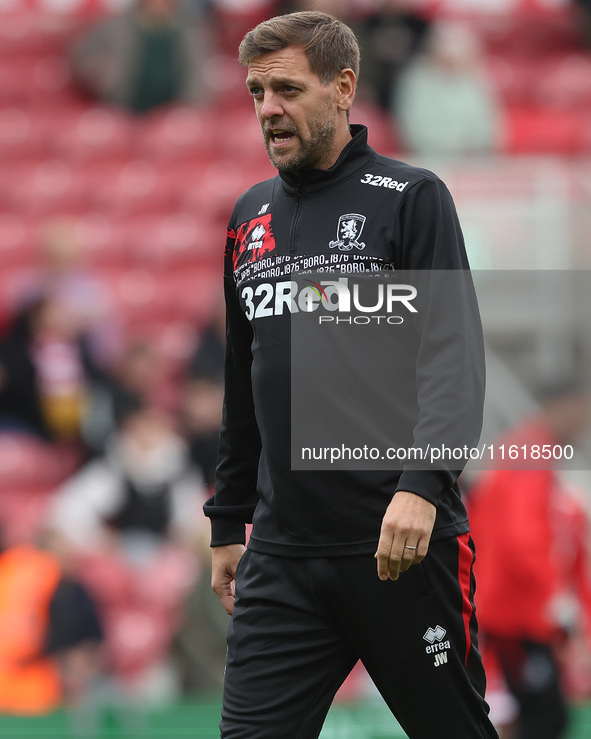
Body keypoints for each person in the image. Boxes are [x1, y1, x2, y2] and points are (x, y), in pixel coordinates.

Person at [202, 11, 497, 738]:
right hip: (281, 556)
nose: (268, 109)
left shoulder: (411, 197)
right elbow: (244, 382)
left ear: (342, 88)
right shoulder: (249, 216)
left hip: (398, 543)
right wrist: (226, 519)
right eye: (255, 92)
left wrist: (421, 486)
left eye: (287, 90)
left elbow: (452, 358)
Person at [468, 381, 591, 739]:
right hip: (516, 613)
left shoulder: (533, 450)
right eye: (578, 409)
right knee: (543, 717)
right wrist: (556, 598)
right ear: (558, 406)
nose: (582, 419)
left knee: (533, 714)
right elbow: (522, 536)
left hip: (516, 610)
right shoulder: (531, 450)